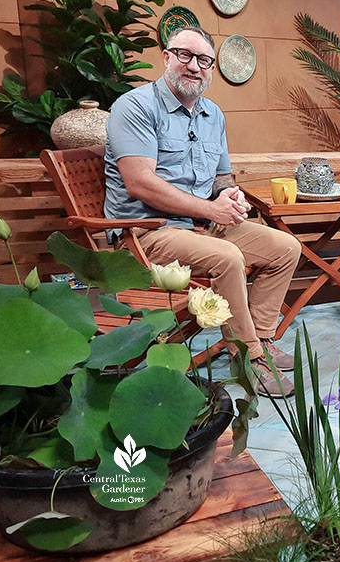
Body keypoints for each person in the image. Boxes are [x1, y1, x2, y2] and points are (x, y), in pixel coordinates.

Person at [104, 26, 301, 396]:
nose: (195, 67)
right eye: (185, 55)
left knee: (286, 248)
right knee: (228, 257)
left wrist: (231, 196)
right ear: (166, 57)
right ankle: (249, 357)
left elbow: (222, 176)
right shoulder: (134, 107)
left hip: (202, 226)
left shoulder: (212, 114)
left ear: (212, 68)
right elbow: (140, 183)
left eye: (204, 60)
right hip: (146, 233)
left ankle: (259, 337)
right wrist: (211, 207)